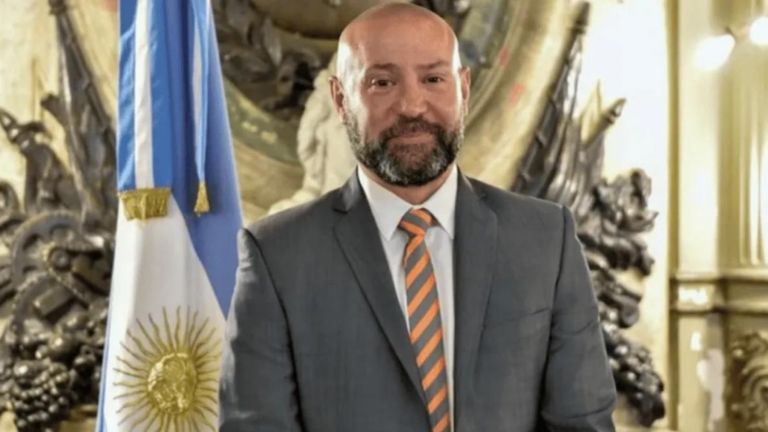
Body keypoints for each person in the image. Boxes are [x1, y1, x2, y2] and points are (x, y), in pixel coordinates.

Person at [219, 3, 616, 431]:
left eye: (433, 79)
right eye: (382, 82)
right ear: (340, 99)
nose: (412, 105)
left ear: (463, 88)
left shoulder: (546, 240)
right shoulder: (276, 255)